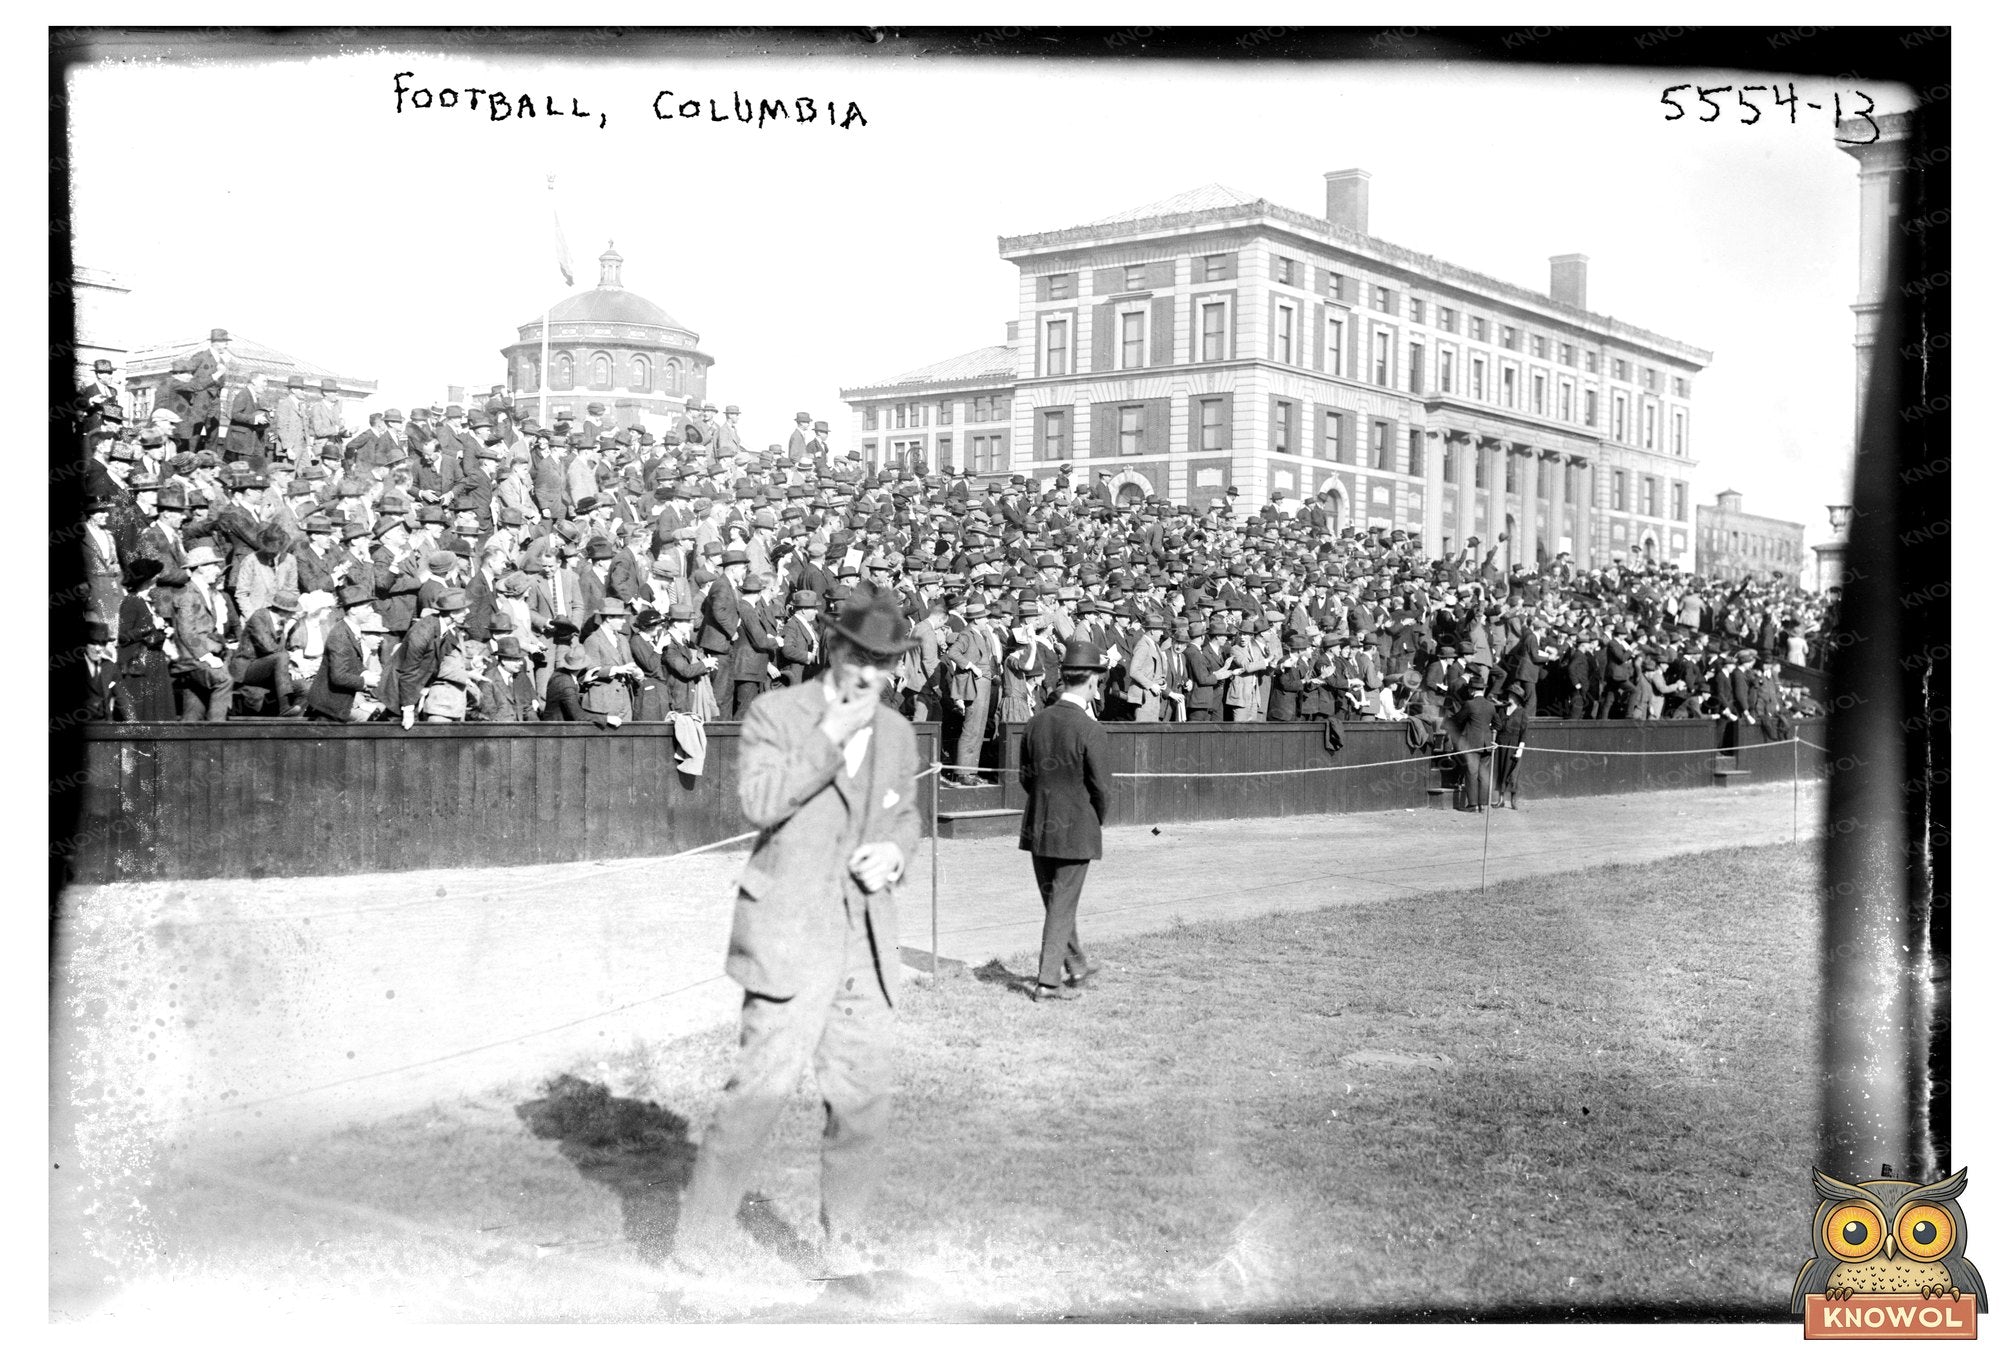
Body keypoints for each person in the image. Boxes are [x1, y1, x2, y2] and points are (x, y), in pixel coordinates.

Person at [673, 584, 921, 1278]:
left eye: (887, 662)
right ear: (835, 650)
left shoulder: (898, 732)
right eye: (862, 658)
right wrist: (830, 738)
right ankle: (694, 1260)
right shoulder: (777, 712)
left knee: (862, 1106)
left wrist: (897, 851)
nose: (872, 675)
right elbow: (759, 802)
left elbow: (907, 816)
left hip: (865, 947)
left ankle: (843, 1253)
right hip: (788, 940)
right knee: (753, 1102)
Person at [1017, 637, 1113, 1003]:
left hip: (1039, 824)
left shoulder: (1036, 722)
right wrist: (1093, 820)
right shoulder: (1091, 729)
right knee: (1062, 903)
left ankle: (1076, 966)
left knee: (1057, 901)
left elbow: (1026, 777)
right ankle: (1047, 982)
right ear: (1092, 681)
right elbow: (1102, 788)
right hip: (1075, 826)